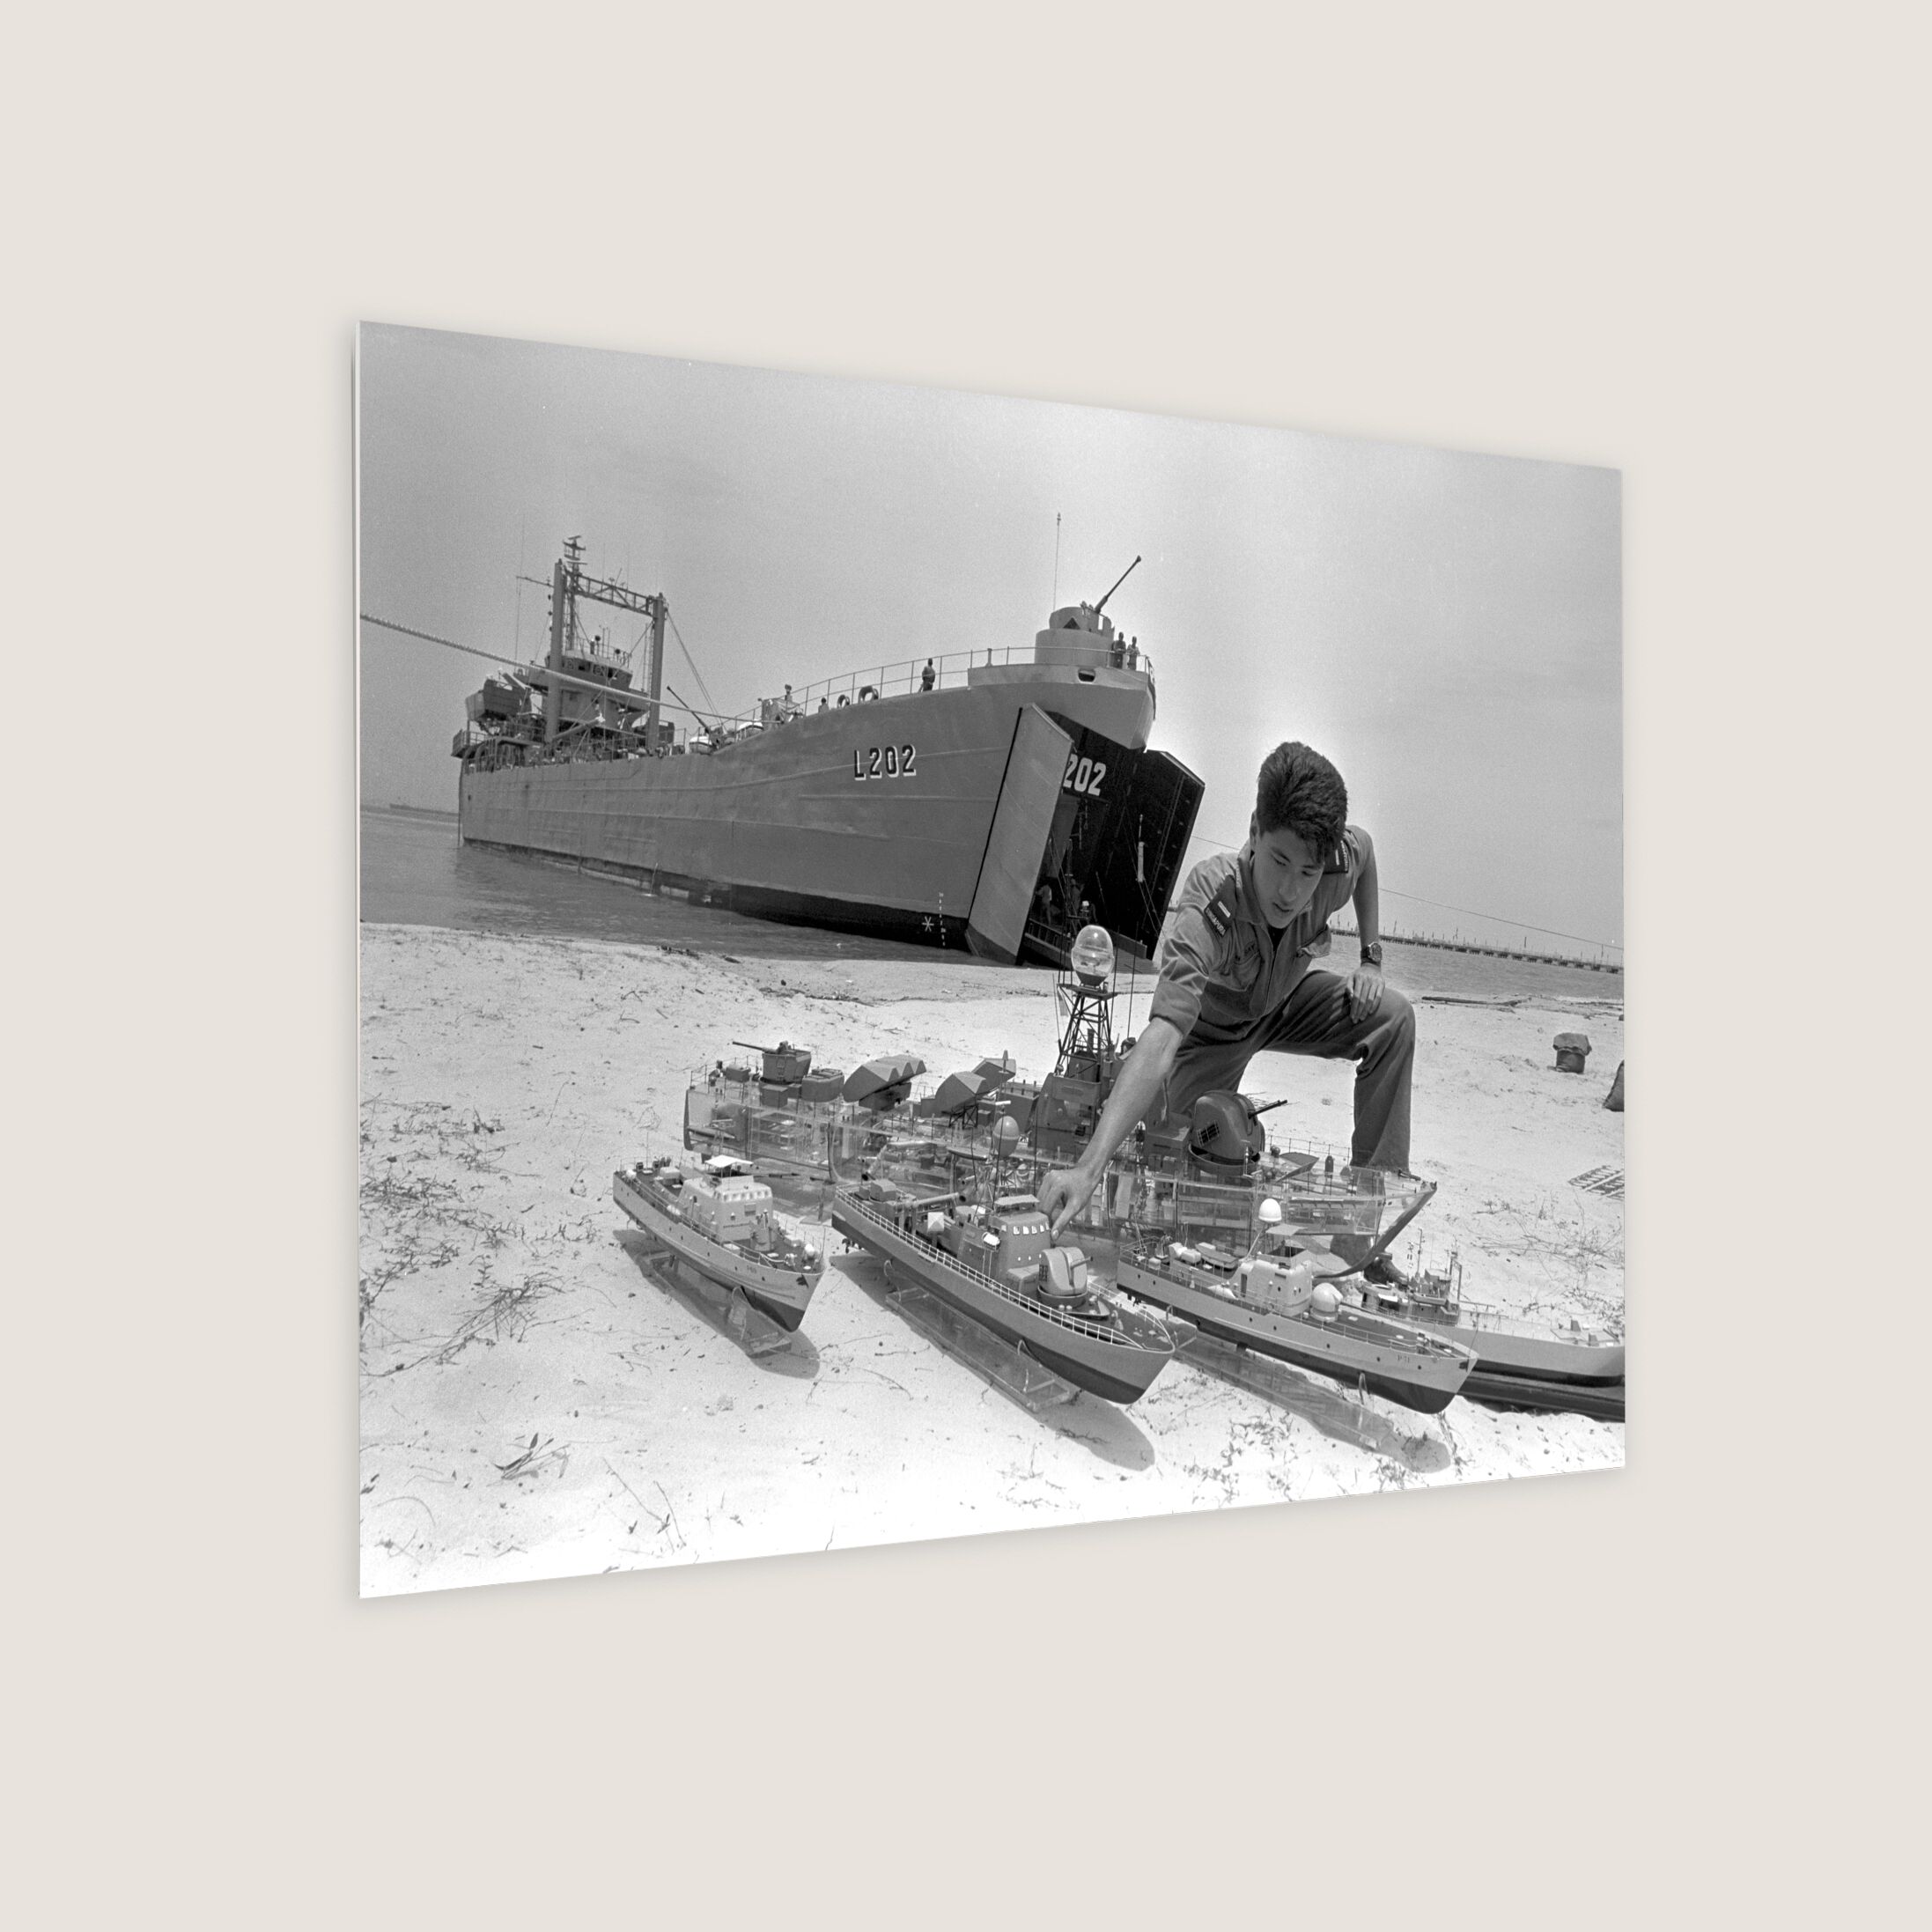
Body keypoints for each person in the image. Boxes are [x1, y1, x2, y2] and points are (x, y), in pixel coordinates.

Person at [1038, 741, 1415, 1239]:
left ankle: (1371, 1216)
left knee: (1393, 1018)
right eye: (1279, 861)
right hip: (1209, 1035)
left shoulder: (1334, 863)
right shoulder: (1210, 899)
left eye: (1307, 873)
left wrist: (1371, 958)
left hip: (1284, 1006)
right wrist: (1087, 1170)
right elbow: (1165, 1032)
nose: (1290, 891)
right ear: (1255, 831)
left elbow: (1365, 855)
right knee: (1181, 1159)